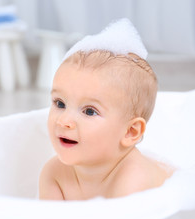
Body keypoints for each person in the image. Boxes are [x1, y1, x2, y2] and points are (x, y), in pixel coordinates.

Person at [39, 19, 173, 200]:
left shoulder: (133, 179)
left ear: (130, 131)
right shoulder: (54, 174)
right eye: (60, 103)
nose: (63, 121)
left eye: (89, 111)